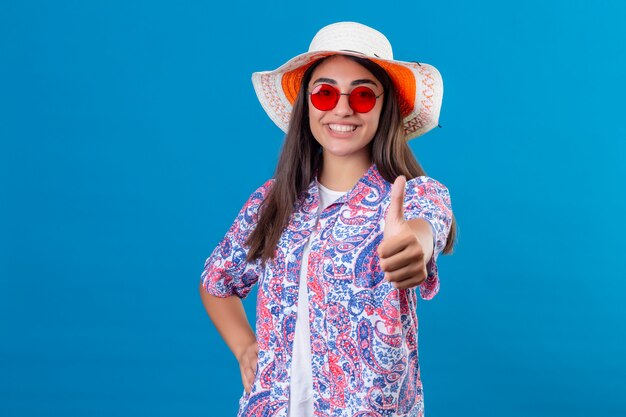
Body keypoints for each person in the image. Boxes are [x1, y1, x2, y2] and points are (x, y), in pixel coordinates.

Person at [199, 21, 457, 417]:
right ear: (307, 104)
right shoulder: (272, 201)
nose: (342, 108)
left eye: (363, 96)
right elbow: (217, 281)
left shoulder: (414, 196)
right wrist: (244, 347)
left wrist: (413, 247)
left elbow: (425, 230)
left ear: (385, 106)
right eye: (325, 93)